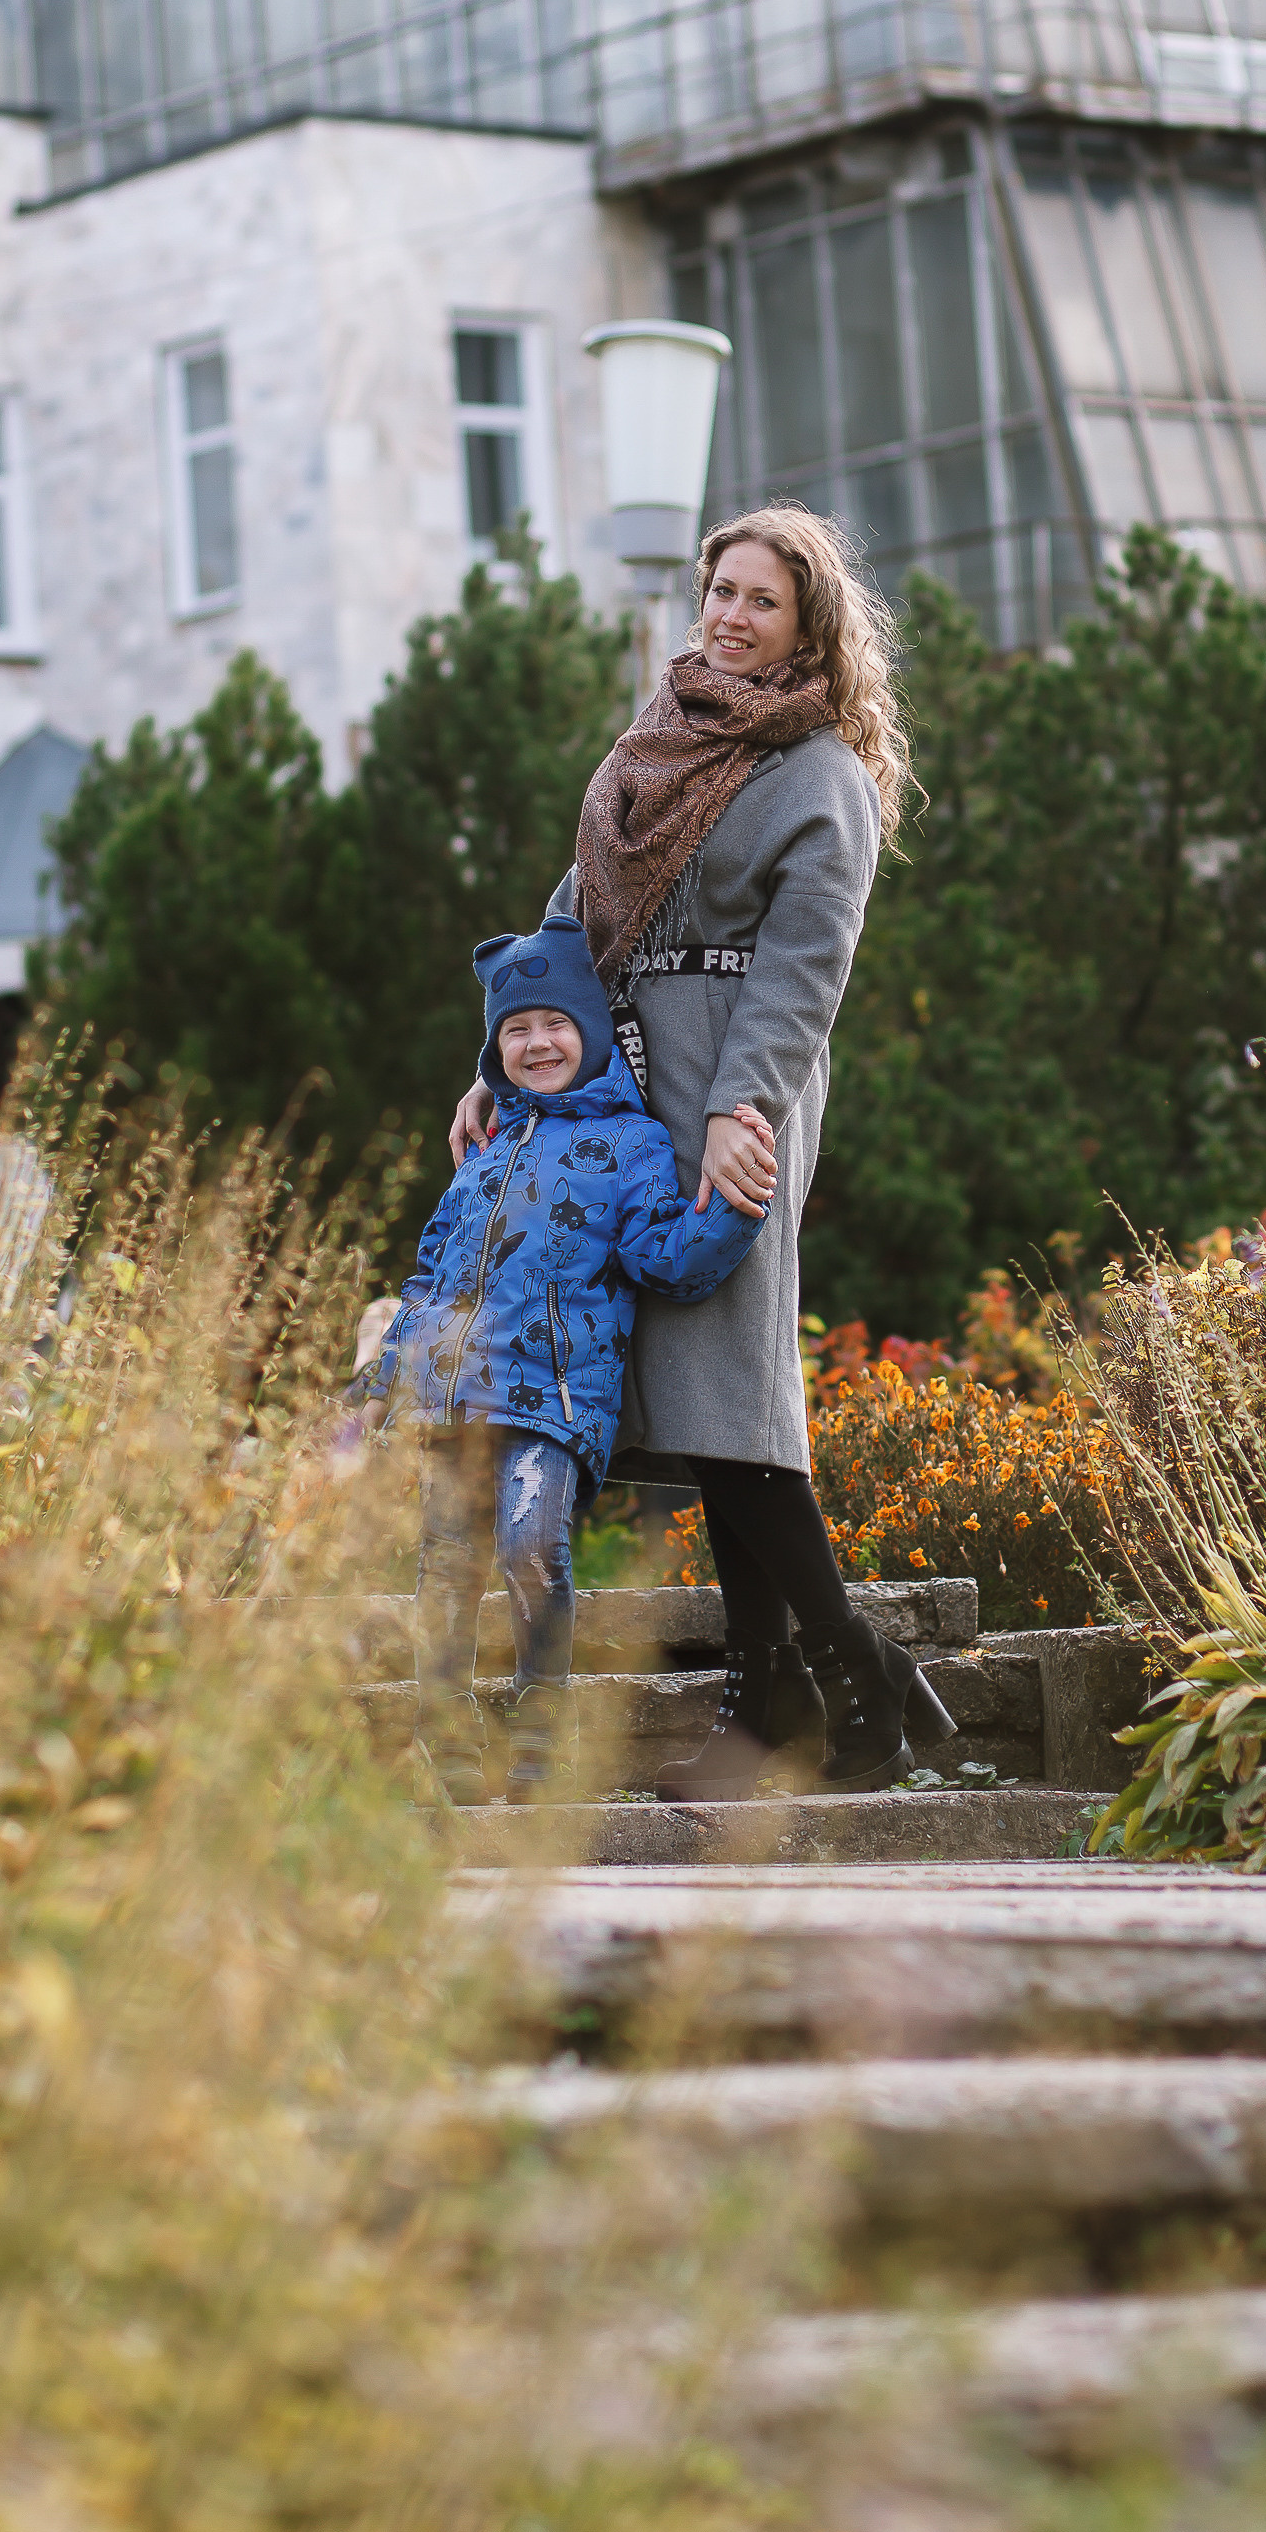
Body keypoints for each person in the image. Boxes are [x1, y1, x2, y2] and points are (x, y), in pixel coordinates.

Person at [450, 502, 950, 1800]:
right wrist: (497, 1072)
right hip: (623, 1099)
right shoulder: (656, 742)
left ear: (808, 629)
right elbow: (572, 925)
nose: (731, 615)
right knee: (698, 1402)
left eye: (761, 600)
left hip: (738, 1090)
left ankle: (845, 1688)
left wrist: (744, 1109)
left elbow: (805, 968)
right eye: (721, 590)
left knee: (732, 1394)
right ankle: (798, 1691)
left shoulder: (821, 775)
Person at [366, 909, 774, 1805]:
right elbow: (430, 1276)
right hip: (451, 1400)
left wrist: (734, 1205)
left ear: (591, 1031)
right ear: (495, 1049)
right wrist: (382, 1379)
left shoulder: (630, 1143)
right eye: (516, 1029)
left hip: (551, 1402)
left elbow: (663, 1257)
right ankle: (446, 1731)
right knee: (445, 1566)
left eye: (556, 1023)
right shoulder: (483, 1151)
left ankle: (542, 1721)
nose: (538, 1042)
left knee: (530, 1549)